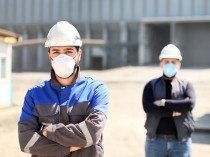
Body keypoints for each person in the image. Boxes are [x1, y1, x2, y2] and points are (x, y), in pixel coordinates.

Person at [18, 21, 109, 157]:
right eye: (56, 51)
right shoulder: (34, 94)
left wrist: (47, 131)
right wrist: (67, 148)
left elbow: (92, 133)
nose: (62, 57)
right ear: (50, 56)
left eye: (68, 51)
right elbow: (26, 142)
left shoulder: (95, 90)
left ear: (79, 54)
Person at [142, 44, 196, 157]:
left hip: (181, 143)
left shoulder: (186, 85)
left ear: (179, 64)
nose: (170, 65)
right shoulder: (151, 85)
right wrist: (173, 112)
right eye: (166, 61)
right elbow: (149, 108)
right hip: (155, 142)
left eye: (174, 61)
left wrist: (163, 102)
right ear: (161, 64)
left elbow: (189, 104)